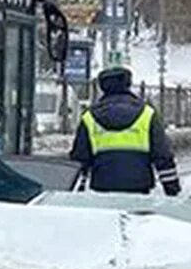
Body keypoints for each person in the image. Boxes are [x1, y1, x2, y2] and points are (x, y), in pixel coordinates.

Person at [71, 66, 180, 195]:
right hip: (139, 186)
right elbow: (162, 154)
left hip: (103, 186)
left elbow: (79, 158)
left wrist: (78, 189)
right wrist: (171, 188)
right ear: (128, 84)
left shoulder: (89, 117)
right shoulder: (147, 113)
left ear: (102, 87)